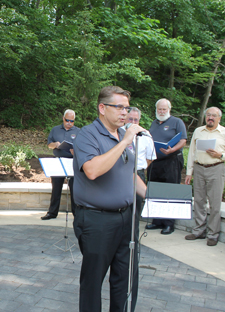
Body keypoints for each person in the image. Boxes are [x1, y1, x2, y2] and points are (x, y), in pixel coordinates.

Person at [73, 86, 146, 312]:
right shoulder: (87, 135)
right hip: (97, 221)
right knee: (93, 282)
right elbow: (93, 170)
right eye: (119, 107)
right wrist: (124, 142)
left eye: (127, 107)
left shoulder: (122, 135)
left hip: (127, 219)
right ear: (102, 108)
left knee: (125, 280)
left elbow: (131, 175)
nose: (125, 112)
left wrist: (156, 199)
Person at [184, 107, 225, 246]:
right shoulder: (198, 131)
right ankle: (199, 230)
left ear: (219, 118)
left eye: (214, 115)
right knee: (199, 201)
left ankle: (213, 234)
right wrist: (189, 172)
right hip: (199, 168)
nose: (210, 117)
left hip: (216, 168)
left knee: (215, 204)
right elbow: (191, 152)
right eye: (208, 115)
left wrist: (220, 155)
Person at [146, 98, 187, 235]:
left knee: (169, 191)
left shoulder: (177, 122)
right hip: (155, 161)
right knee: (155, 191)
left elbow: (183, 140)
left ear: (169, 109)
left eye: (164, 109)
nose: (161, 111)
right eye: (159, 109)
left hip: (171, 160)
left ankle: (169, 224)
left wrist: (172, 149)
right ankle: (157, 221)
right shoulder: (154, 123)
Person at [41, 109, 79, 220]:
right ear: (63, 118)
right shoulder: (55, 130)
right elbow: (49, 145)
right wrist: (55, 144)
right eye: (67, 120)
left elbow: (82, 147)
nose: (69, 123)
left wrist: (75, 151)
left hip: (72, 161)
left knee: (74, 189)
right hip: (58, 161)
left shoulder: (78, 131)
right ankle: (52, 213)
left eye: (72, 121)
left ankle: (76, 214)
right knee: (56, 188)